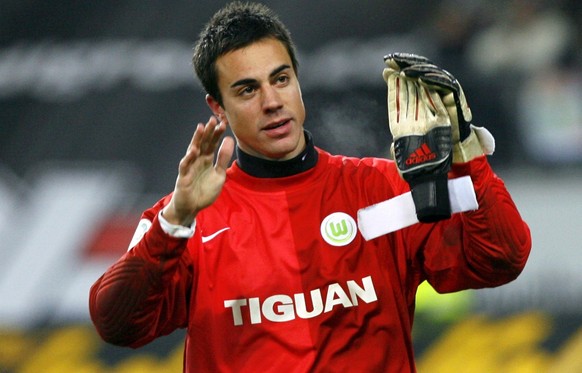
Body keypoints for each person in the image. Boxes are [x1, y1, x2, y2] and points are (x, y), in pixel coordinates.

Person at [89, 2, 531, 372]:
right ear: (217, 108)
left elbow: (501, 260)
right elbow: (118, 325)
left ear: (298, 82)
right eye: (247, 90)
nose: (272, 101)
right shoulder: (185, 218)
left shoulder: (381, 189)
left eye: (280, 79)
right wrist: (174, 222)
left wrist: (466, 155)